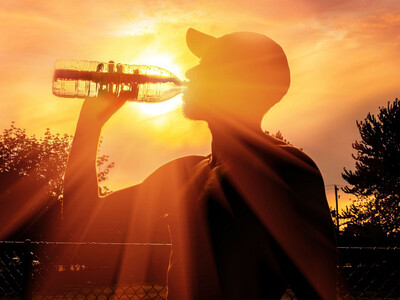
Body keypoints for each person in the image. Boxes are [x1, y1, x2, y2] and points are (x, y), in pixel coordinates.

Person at [63, 28, 337, 299]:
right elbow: (83, 222)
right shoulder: (185, 173)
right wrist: (90, 123)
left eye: (207, 65)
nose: (190, 73)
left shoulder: (285, 171)